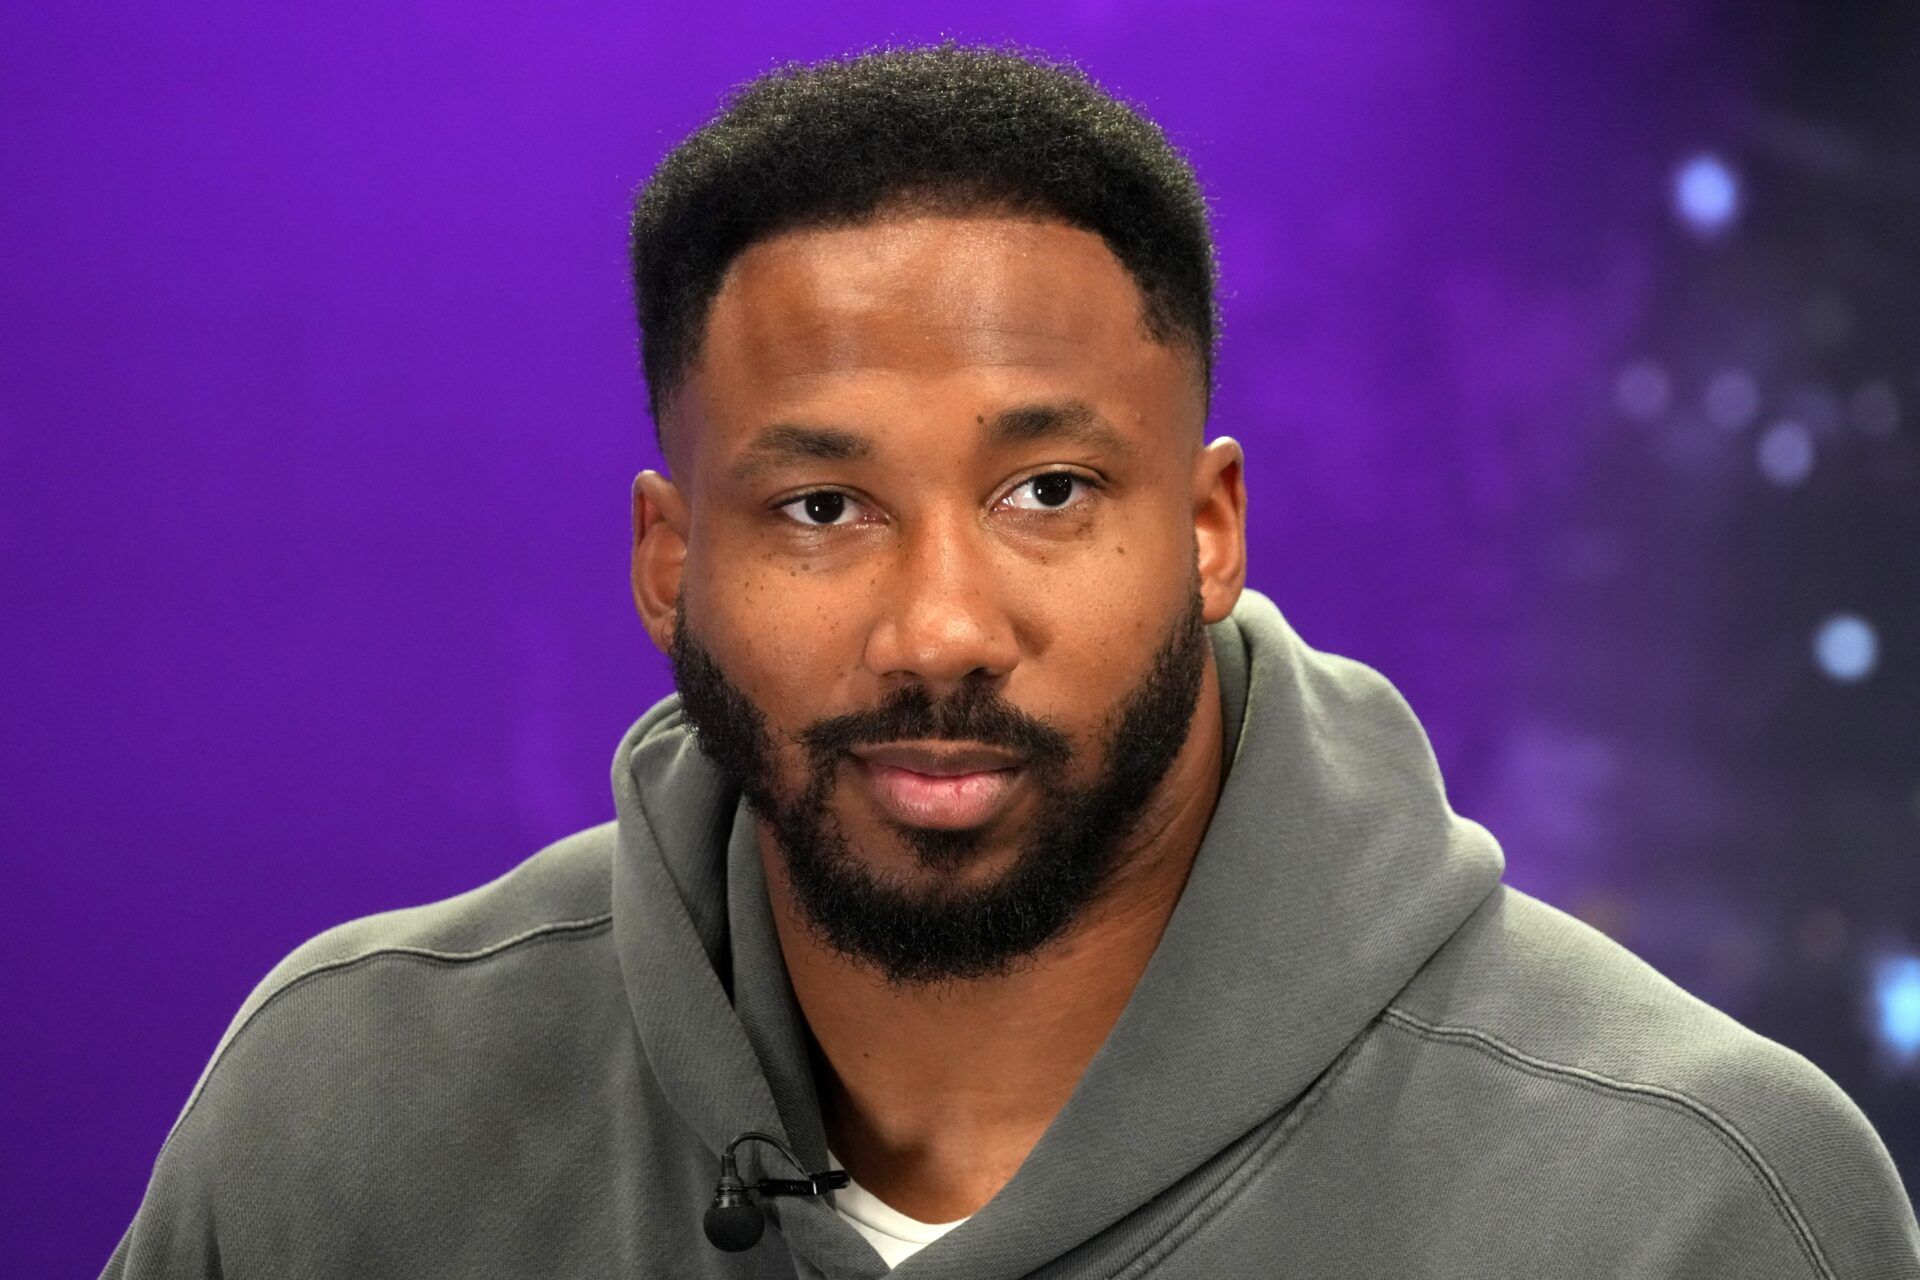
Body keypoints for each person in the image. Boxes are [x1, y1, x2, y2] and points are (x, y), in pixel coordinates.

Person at [104, 43, 1918, 1279]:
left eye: (1049, 490)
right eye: (822, 507)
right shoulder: (341, 1119)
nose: (942, 629)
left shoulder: (1682, 1201)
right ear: (670, 563)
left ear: (1210, 530)